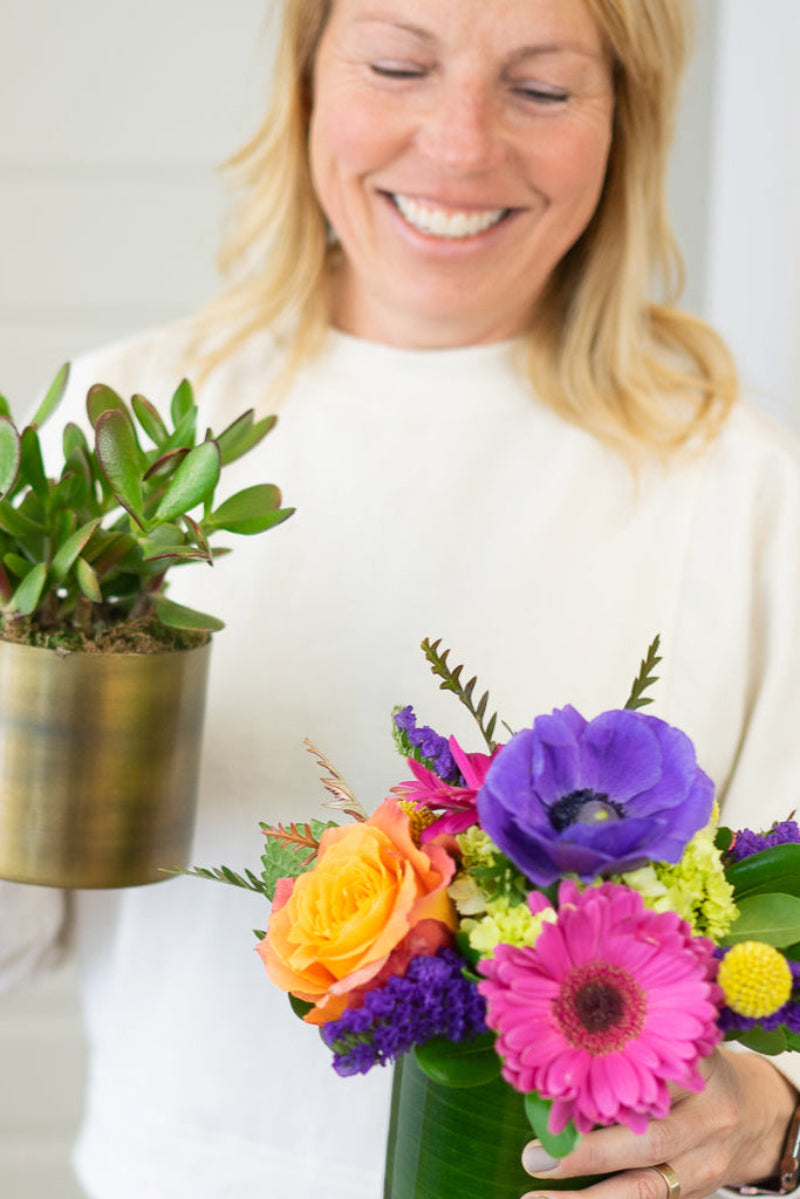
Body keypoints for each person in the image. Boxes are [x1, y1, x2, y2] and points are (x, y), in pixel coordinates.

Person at [2, 1, 800, 1197]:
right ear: (307, 81)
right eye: (397, 64)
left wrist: (777, 1117)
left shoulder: (740, 484)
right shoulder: (118, 435)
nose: (461, 143)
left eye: (539, 88)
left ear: (625, 122)